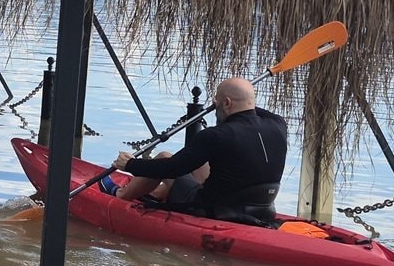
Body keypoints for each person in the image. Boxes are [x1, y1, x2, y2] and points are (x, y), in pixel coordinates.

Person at [106, 77, 288, 218]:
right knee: (202, 161)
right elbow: (251, 109)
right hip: (262, 208)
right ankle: (157, 193)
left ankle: (120, 195)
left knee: (163, 156)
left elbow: (172, 168)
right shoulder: (279, 125)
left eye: (217, 101)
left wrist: (130, 165)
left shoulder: (217, 135)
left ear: (226, 103)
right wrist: (237, 98)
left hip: (215, 208)